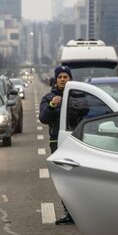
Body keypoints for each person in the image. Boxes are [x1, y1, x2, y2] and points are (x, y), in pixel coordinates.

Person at [39, 65, 75, 225]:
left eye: (65, 77)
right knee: (63, 177)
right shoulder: (48, 98)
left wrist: (72, 104)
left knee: (78, 177)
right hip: (57, 140)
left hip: (77, 140)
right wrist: (53, 105)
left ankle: (81, 211)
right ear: (56, 80)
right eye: (60, 77)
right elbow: (43, 118)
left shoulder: (77, 95)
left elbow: (86, 111)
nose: (62, 79)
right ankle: (68, 212)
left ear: (70, 79)